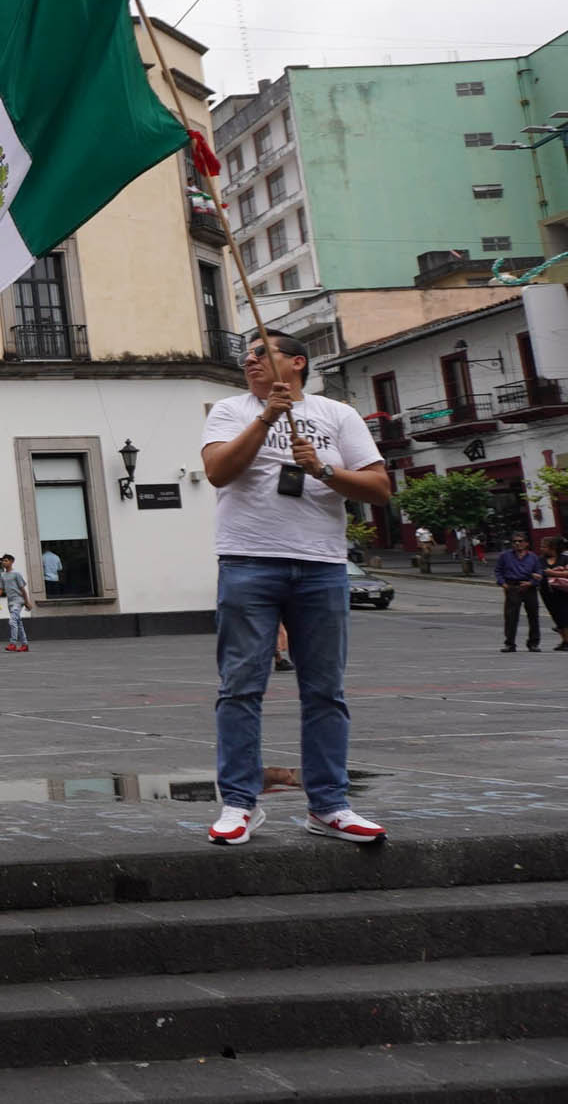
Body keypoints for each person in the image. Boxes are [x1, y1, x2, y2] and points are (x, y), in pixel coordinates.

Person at [201, 332, 392, 846]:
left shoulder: (338, 415)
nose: (250, 360)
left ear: (298, 363)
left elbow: (379, 488)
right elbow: (218, 471)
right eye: (247, 355)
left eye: (263, 352)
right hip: (248, 562)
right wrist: (266, 418)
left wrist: (325, 470)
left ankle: (329, 805)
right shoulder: (229, 410)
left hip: (321, 565)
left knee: (325, 690)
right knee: (240, 687)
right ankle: (239, 804)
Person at [494, 531, 545, 652]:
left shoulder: (533, 557)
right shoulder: (505, 556)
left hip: (529, 588)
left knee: (533, 616)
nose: (517, 543)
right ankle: (510, 643)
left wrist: (532, 583)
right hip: (512, 587)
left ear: (526, 543)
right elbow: (498, 571)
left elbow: (539, 573)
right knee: (511, 616)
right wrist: (503, 583)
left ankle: (533, 643)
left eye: (520, 541)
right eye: (514, 541)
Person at [0, 555, 30, 652]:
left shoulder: (16, 574)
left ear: (11, 562)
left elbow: (22, 589)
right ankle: (25, 644)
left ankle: (13, 643)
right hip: (10, 602)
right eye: (3, 561)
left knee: (12, 621)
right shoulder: (3, 575)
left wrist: (27, 602)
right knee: (18, 623)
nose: (4, 562)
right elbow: (1, 589)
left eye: (6, 560)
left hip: (18, 601)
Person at [541, 536, 568, 652]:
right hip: (547, 592)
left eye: (544, 547)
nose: (541, 549)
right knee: (556, 616)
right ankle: (564, 640)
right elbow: (535, 571)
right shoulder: (540, 560)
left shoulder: (564, 558)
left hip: (563, 591)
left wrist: (552, 573)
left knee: (564, 616)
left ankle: (567, 641)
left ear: (552, 547)